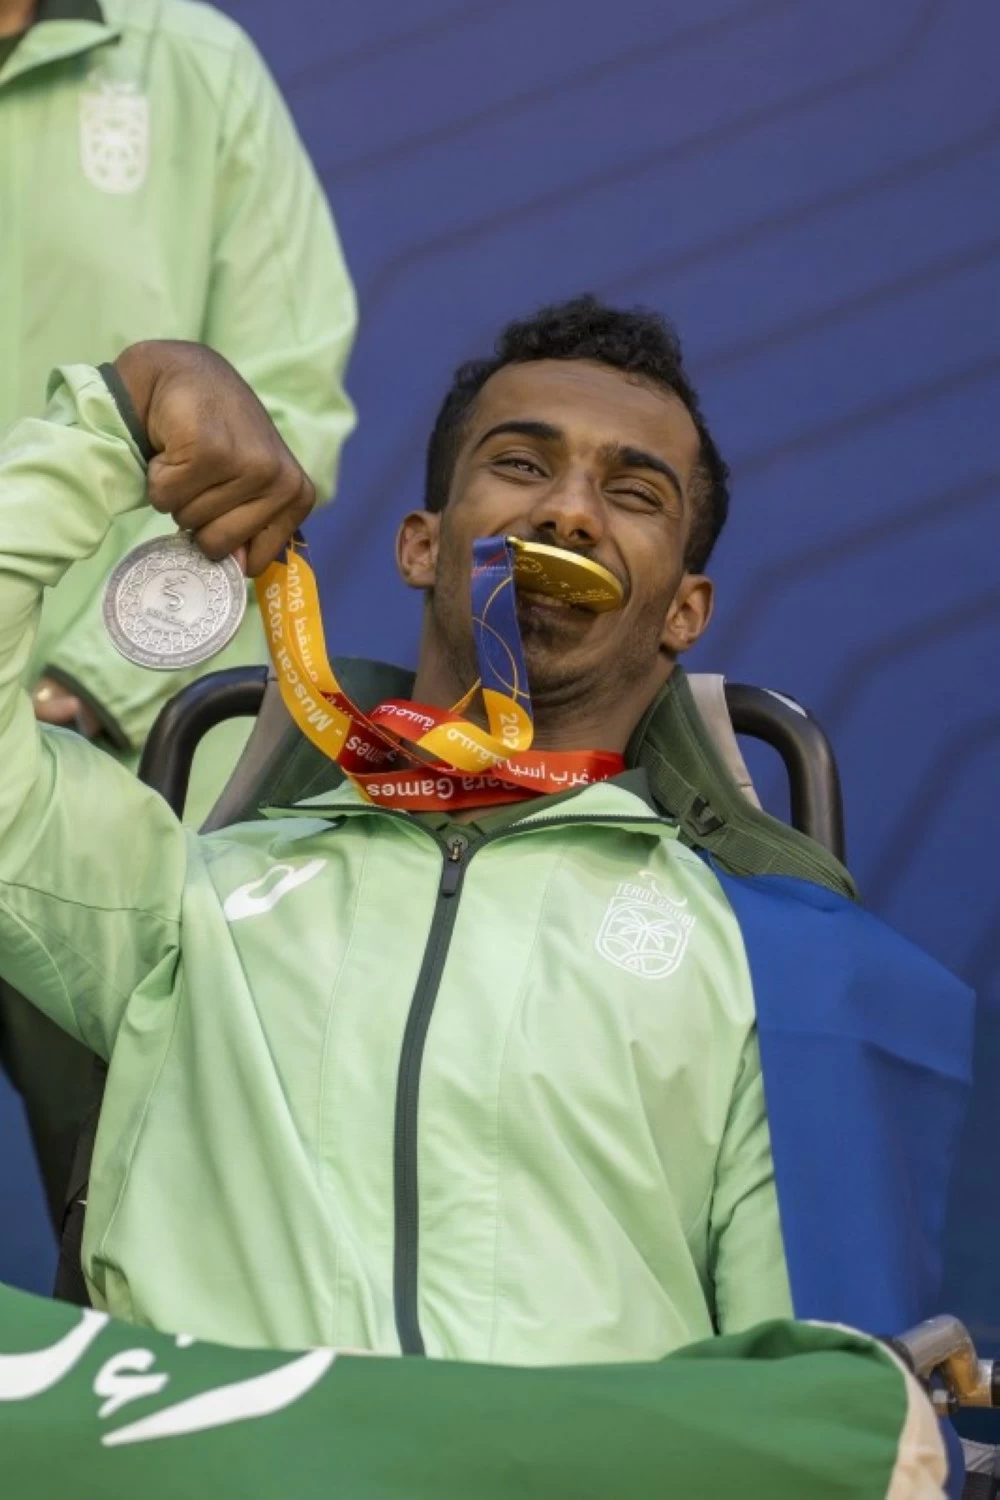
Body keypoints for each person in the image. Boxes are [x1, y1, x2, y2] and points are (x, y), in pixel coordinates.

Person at [0, 301, 973, 1361]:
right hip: (224, 1445)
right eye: (520, 465)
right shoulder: (186, 903)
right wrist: (126, 404)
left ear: (684, 612)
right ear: (422, 545)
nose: (569, 513)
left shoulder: (773, 970)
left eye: (633, 492)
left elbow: (802, 1396)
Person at [0, 0, 357, 1230]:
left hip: (135, 763)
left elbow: (280, 414)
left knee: (160, 1218)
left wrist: (87, 679)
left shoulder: (192, 63)